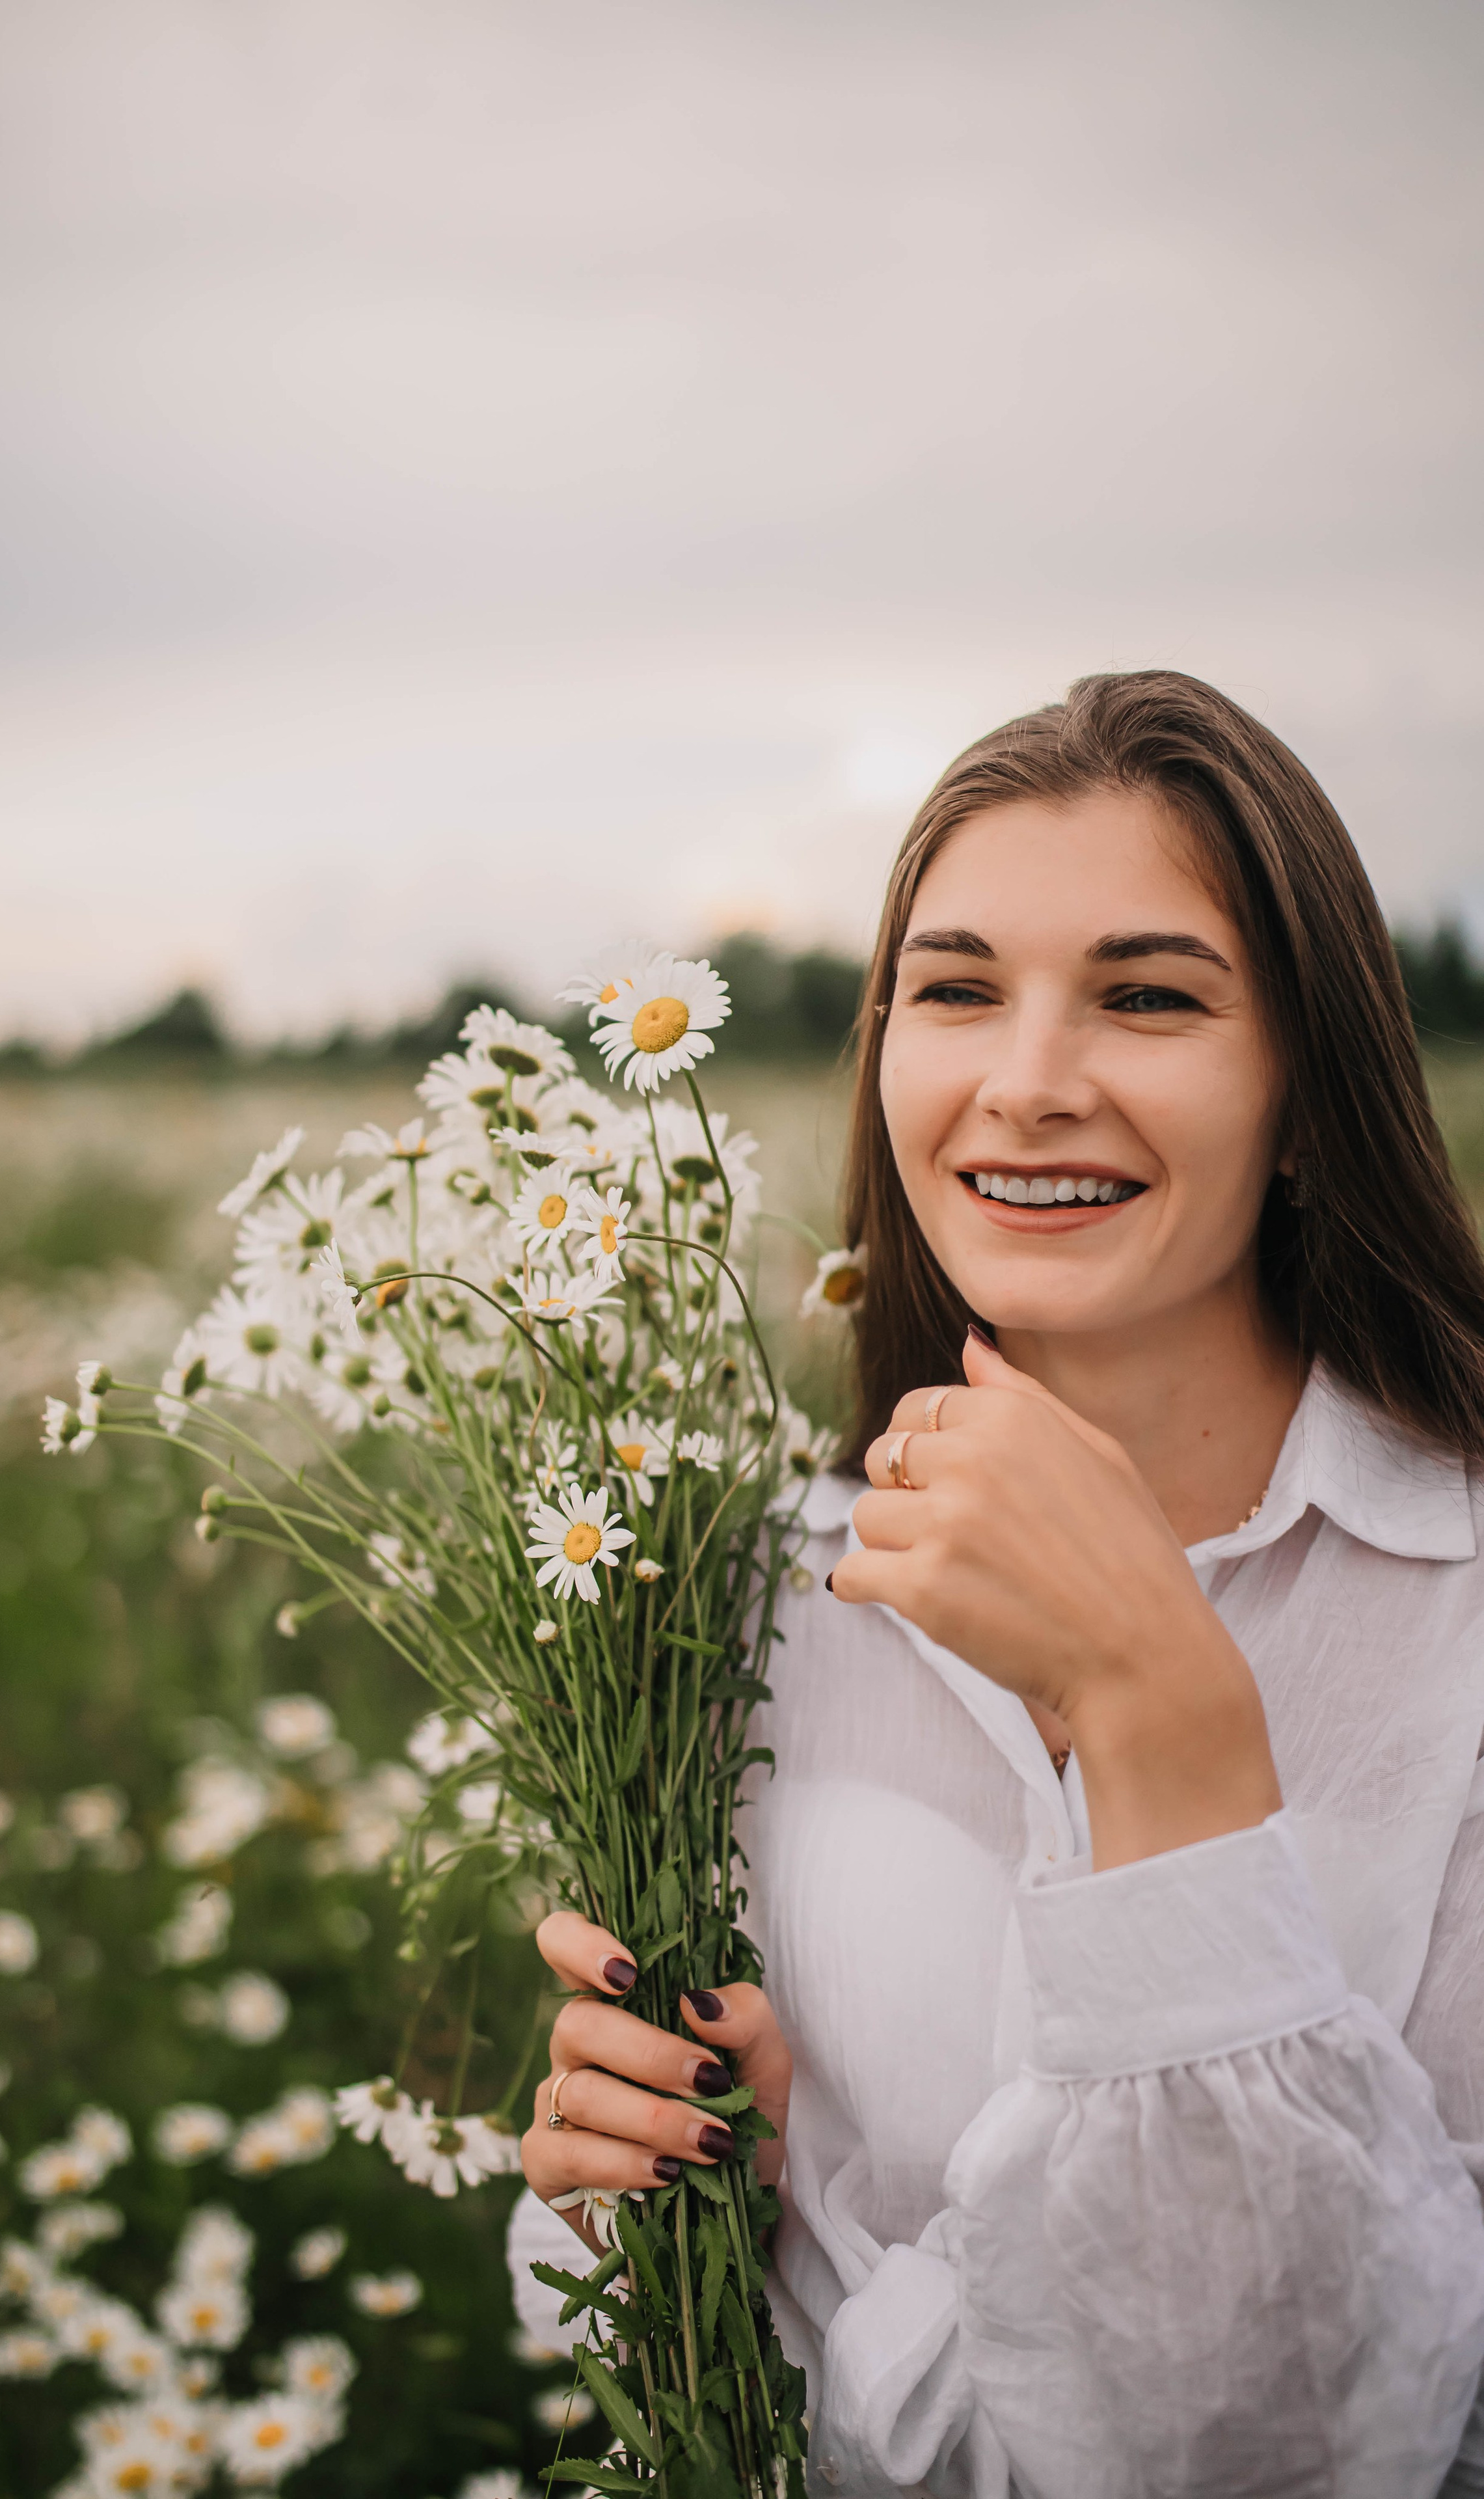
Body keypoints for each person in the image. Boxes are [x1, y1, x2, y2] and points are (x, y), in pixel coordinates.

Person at [508, 671, 1484, 2496]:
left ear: (1303, 1099)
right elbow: (622, 2331)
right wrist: (673, 2185)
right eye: (953, 989)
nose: (1027, 1084)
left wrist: (1162, 1716)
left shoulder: (1458, 1612)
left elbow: (1316, 2444)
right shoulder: (738, 1614)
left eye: (1148, 996)